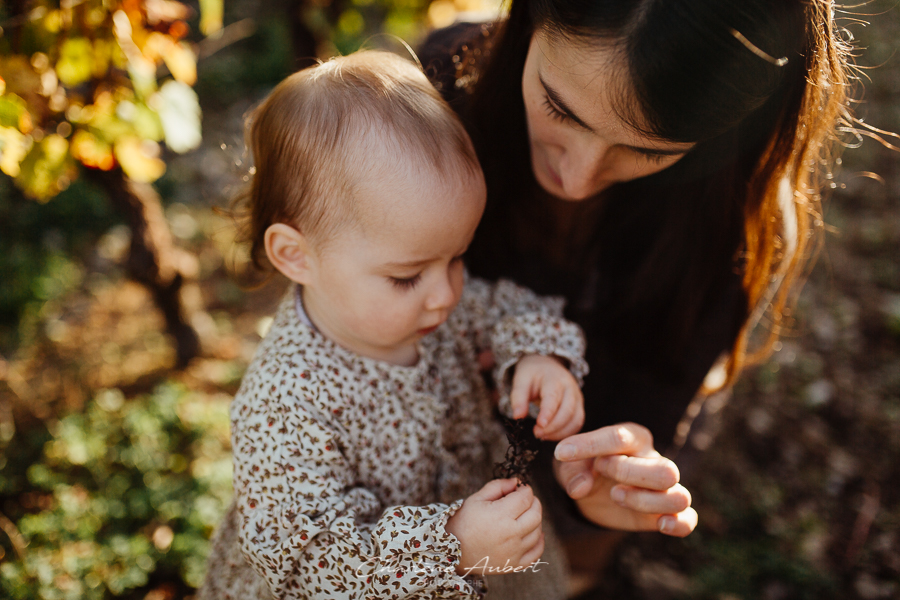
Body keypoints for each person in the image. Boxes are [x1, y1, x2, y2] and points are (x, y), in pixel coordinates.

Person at [419, 0, 850, 539]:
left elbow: (649, 405)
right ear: (529, 16)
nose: (577, 179)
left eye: (645, 150)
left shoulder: (729, 229)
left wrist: (609, 479)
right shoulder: (430, 91)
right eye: (559, 108)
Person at [197, 50, 596, 600]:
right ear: (296, 256)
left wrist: (537, 357)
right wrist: (452, 546)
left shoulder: (439, 307)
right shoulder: (284, 404)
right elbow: (313, 564)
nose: (446, 293)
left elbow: (509, 308)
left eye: (457, 257)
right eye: (407, 276)